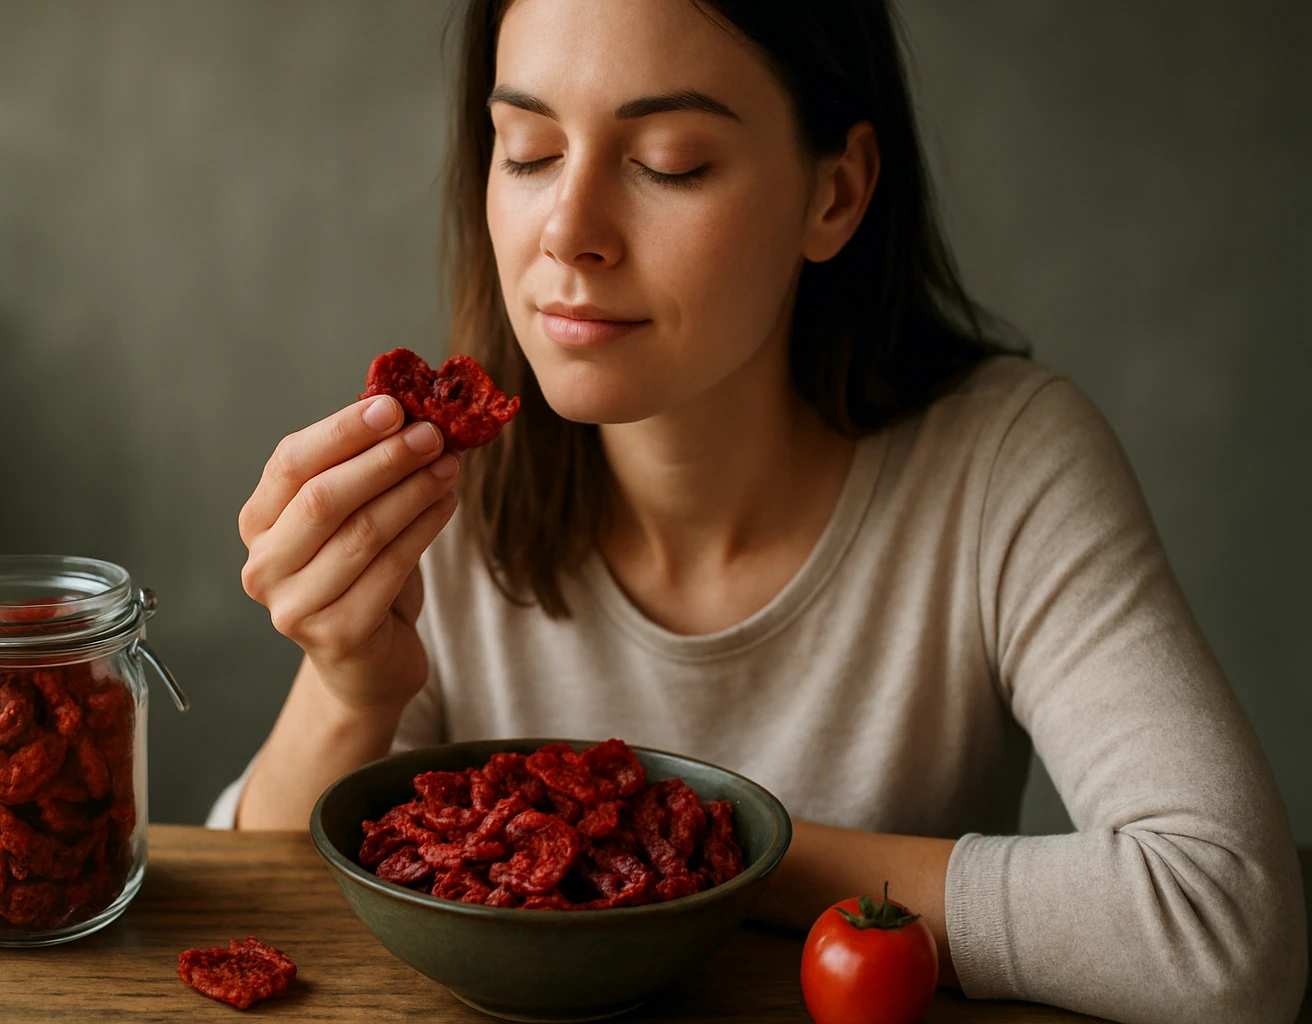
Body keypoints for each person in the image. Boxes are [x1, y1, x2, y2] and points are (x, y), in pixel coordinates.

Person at [212, 1, 1306, 1021]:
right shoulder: (429, 487)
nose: (569, 231)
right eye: (529, 152)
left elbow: (1224, 925)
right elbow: (247, 929)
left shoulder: (1004, 466)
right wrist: (351, 686)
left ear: (834, 193)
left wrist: (702, 851)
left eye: (666, 163)